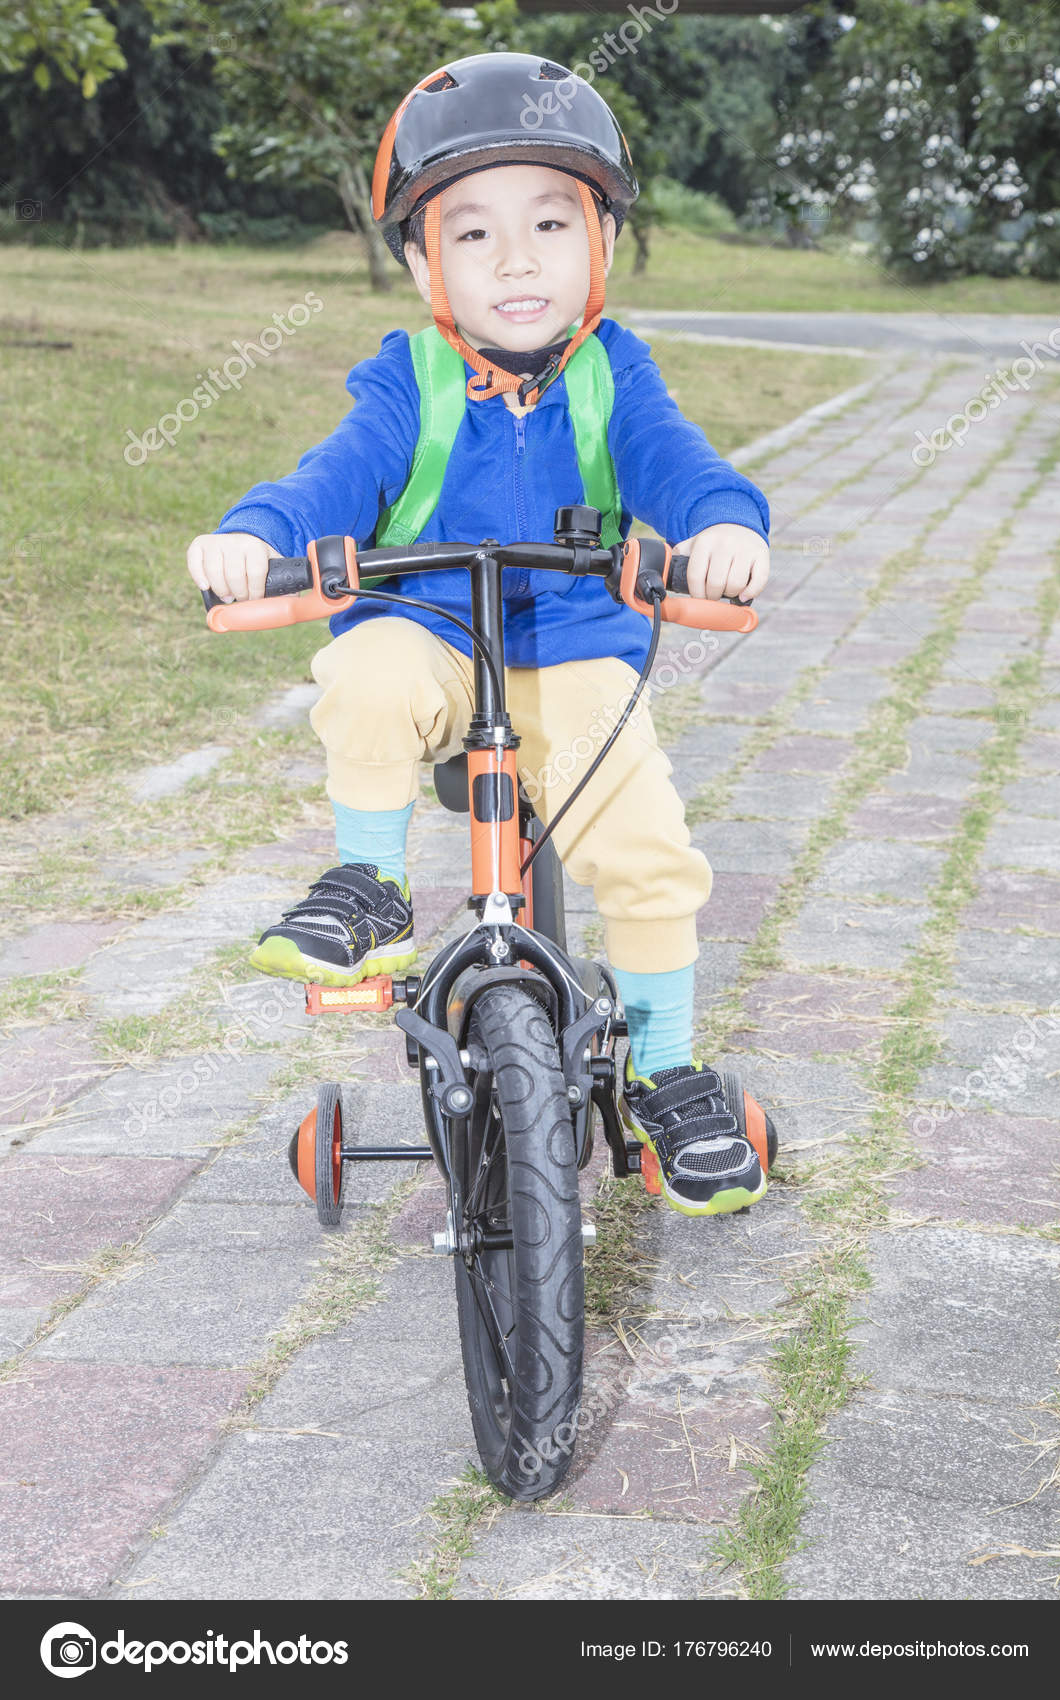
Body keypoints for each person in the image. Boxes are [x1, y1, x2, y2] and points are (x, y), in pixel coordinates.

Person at [185, 52, 773, 1217]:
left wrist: (722, 528)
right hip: (429, 630)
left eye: (550, 222)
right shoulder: (408, 378)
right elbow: (330, 480)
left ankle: (667, 1068)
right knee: (362, 669)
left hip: (575, 646)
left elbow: (683, 467)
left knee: (649, 843)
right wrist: (256, 535)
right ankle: (370, 887)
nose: (516, 259)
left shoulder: (615, 374)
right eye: (472, 234)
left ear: (599, 243)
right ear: (420, 262)